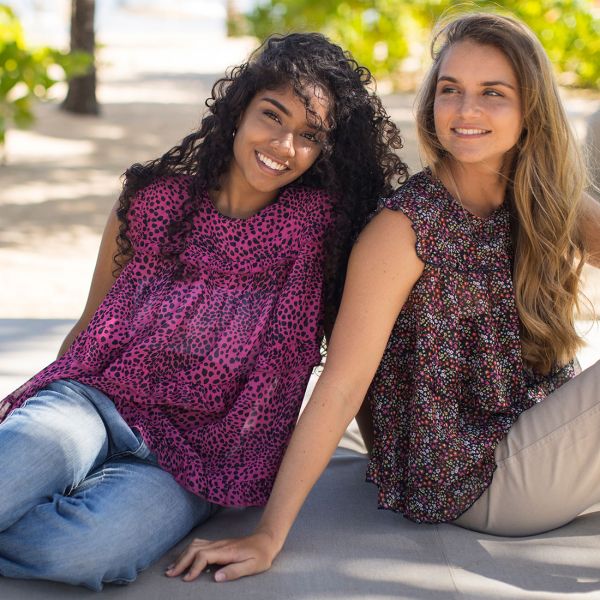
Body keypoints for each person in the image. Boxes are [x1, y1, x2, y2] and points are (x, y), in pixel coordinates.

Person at [167, 12, 600, 584]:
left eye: (492, 93)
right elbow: (342, 382)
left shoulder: (544, 198)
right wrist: (268, 535)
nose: (465, 111)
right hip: (475, 480)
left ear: (531, 109)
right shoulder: (402, 229)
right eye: (450, 91)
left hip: (538, 430)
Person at [0, 33, 407, 590]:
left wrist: (271, 531)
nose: (284, 144)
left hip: (199, 458)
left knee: (85, 552)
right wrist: (37, 421)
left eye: (309, 135)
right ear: (238, 110)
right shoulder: (151, 200)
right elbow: (89, 328)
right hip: (92, 401)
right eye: (272, 115)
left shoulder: (327, 235)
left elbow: (344, 377)